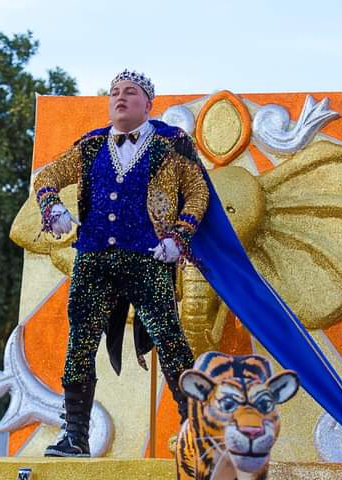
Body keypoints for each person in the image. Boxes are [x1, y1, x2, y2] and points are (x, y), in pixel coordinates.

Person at [34, 69, 210, 457]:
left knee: (170, 340)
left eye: (130, 91)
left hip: (147, 259)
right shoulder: (91, 145)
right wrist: (53, 208)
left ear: (148, 104)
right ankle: (75, 436)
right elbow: (47, 177)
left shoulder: (170, 144)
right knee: (79, 343)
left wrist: (178, 237)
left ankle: (194, 430)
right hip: (93, 259)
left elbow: (198, 192)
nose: (120, 97)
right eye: (114, 91)